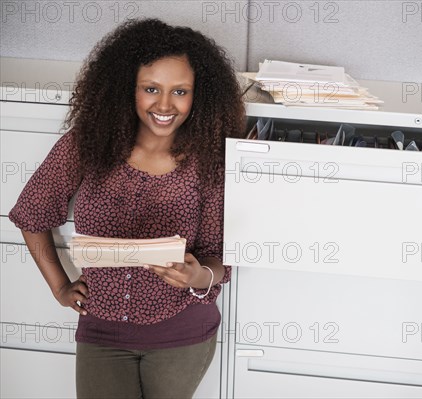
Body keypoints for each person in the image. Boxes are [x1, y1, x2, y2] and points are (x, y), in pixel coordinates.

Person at [9, 18, 245, 398]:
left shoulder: (211, 161)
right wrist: (60, 287)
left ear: (198, 94)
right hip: (102, 330)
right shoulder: (87, 144)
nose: (165, 105)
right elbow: (31, 214)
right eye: (151, 89)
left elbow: (221, 261)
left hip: (182, 332)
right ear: (126, 89)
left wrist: (196, 275)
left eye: (180, 91)